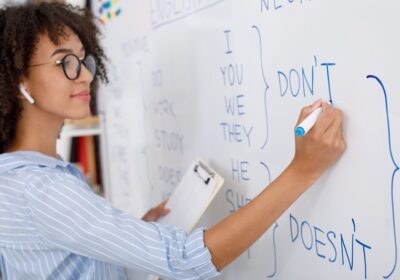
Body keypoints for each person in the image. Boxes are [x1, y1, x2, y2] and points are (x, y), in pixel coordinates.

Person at [0, 2, 346, 280]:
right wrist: (302, 170)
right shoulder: (38, 188)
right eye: (66, 62)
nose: (87, 74)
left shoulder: (27, 177)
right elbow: (184, 259)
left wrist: (132, 235)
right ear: (19, 81)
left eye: (84, 59)